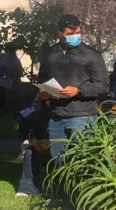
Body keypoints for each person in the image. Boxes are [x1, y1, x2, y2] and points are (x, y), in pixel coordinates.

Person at [38, 14, 109, 158]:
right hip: (56, 116)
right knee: (58, 160)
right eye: (70, 34)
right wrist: (44, 93)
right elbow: (43, 78)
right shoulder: (50, 54)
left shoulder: (91, 55)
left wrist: (79, 91)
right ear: (60, 34)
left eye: (78, 33)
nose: (75, 36)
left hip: (82, 117)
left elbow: (103, 86)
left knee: (84, 160)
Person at [3, 43, 25, 116]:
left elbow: (8, 70)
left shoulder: (10, 59)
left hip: (12, 81)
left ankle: (14, 113)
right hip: (15, 81)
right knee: (17, 98)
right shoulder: (15, 59)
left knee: (13, 98)